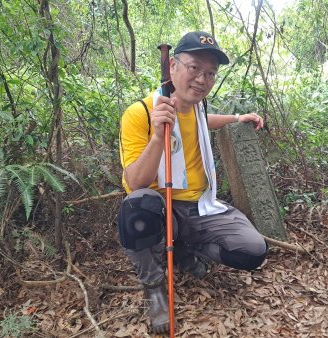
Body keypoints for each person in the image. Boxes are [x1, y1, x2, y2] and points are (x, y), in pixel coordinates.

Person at [116, 31, 268, 334]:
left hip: (202, 204)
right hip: (163, 210)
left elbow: (204, 121)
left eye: (210, 72)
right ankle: (154, 287)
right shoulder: (141, 113)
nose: (202, 78)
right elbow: (135, 181)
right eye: (194, 67)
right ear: (173, 66)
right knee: (137, 208)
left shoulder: (197, 109)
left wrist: (237, 118)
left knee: (253, 251)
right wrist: (159, 135)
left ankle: (185, 248)